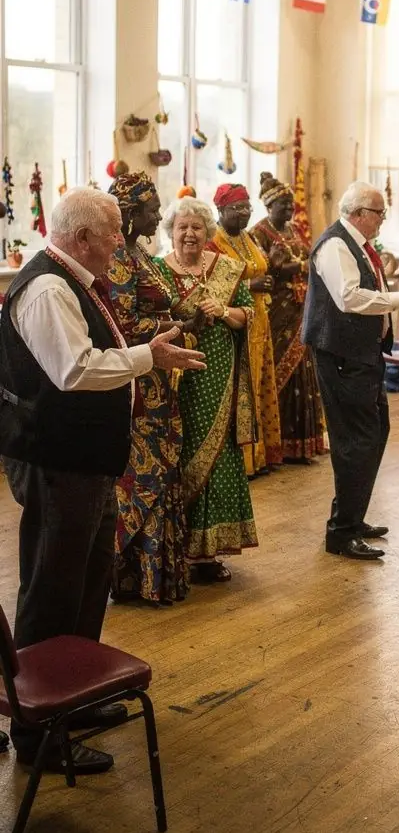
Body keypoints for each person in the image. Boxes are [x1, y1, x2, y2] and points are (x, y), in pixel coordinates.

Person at [0, 188, 204, 773]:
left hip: (84, 461)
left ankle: (75, 701)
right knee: (51, 589)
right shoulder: (45, 287)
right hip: (56, 461)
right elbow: (74, 370)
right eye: (113, 231)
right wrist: (147, 358)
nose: (122, 240)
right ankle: (37, 733)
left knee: (88, 582)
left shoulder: (72, 281)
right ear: (83, 237)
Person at [302, 181, 399, 560]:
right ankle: (342, 532)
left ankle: (352, 516)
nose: (382, 220)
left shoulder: (359, 246)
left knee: (373, 434)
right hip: (341, 355)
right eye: (379, 213)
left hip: (361, 355)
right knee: (355, 442)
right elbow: (349, 297)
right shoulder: (336, 244)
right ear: (358, 214)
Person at [155, 197, 258, 579]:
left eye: (197, 227)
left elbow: (247, 313)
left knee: (219, 455)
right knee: (180, 452)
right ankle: (176, 546)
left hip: (219, 374)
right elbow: (152, 319)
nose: (189, 233)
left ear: (208, 232)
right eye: (182, 226)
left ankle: (208, 552)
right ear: (171, 231)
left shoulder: (228, 268)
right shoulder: (158, 270)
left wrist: (225, 312)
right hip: (175, 377)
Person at [105, 173, 190, 606]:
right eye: (153, 208)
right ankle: (136, 578)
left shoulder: (136, 250)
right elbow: (119, 325)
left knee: (159, 471)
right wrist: (172, 327)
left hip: (155, 378)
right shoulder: (118, 254)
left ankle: (155, 577)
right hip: (137, 384)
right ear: (130, 212)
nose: (159, 214)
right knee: (143, 478)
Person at [250, 174, 326, 461]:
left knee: (302, 373)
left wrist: (299, 265)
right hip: (276, 311)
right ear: (269, 206)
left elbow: (306, 260)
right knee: (279, 370)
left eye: (291, 204)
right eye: (283, 204)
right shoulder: (259, 233)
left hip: (301, 310)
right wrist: (302, 265)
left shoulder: (295, 230)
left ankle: (303, 444)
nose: (289, 209)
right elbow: (270, 268)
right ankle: (276, 445)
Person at [210, 182, 282, 478]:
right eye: (236, 208)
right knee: (242, 389)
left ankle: (260, 456)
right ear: (221, 210)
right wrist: (249, 286)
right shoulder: (212, 242)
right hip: (233, 323)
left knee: (261, 384)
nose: (243, 213)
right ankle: (242, 461)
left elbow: (262, 268)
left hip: (259, 322)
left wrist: (271, 272)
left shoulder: (248, 238)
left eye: (246, 207)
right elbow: (209, 283)